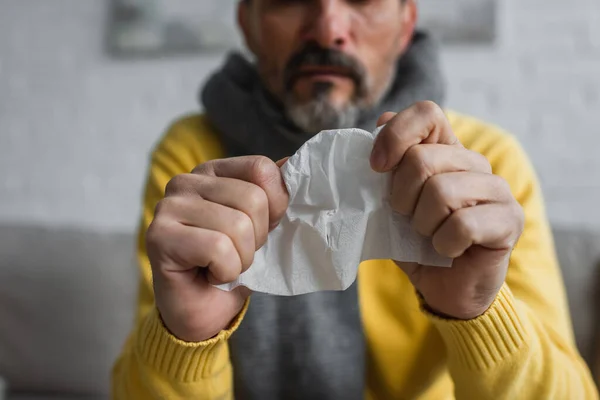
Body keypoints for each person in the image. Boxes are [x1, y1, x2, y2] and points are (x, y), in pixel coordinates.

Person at [112, 0, 598, 399]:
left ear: (406, 25)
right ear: (250, 23)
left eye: (363, 0)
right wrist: (186, 337)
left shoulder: (484, 166)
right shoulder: (196, 163)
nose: (328, 29)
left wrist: (477, 310)